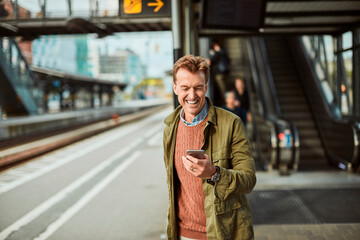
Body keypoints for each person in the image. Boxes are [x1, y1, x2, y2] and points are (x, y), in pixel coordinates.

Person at [163, 55, 256, 240]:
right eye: (185, 88)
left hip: (224, 232)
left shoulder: (231, 124)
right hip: (183, 233)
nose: (192, 95)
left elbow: (248, 180)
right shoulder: (170, 128)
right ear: (175, 88)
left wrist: (214, 173)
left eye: (198, 87)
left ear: (206, 87)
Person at [209, 41, 230, 106]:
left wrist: (213, 54)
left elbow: (211, 62)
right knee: (224, 89)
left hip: (219, 74)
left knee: (222, 90)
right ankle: (227, 102)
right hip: (225, 73)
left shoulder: (218, 53)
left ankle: (227, 104)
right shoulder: (224, 53)